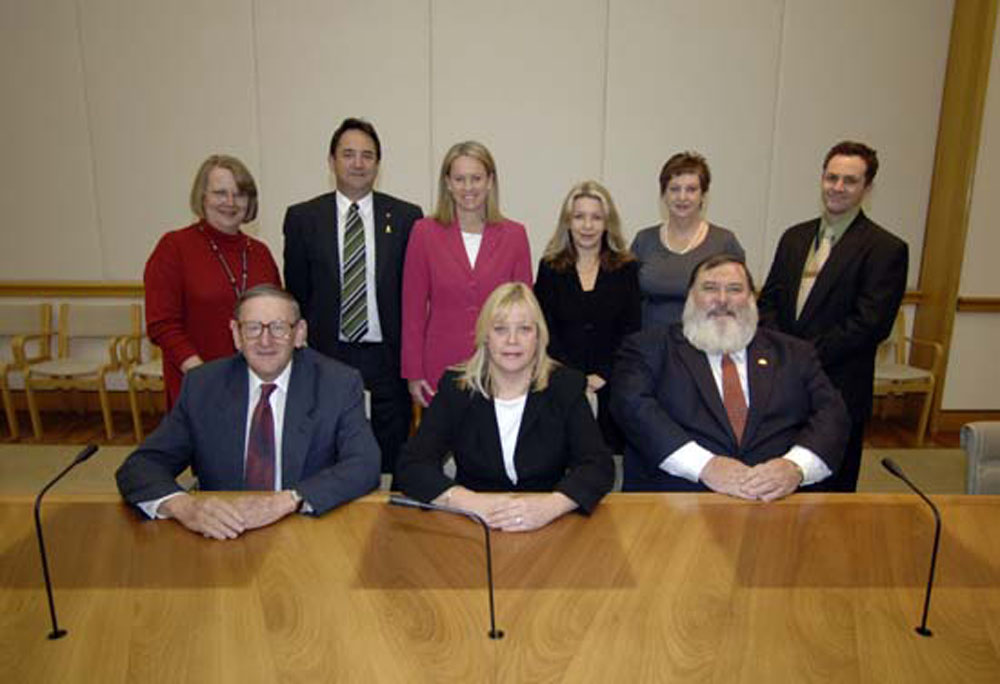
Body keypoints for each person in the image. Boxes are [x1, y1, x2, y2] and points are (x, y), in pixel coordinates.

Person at [116, 285, 381, 540]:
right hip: (223, 534)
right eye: (253, 328)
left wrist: (289, 500)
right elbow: (140, 467)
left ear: (299, 333)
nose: (265, 341)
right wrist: (185, 507)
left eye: (278, 327)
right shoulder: (203, 386)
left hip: (307, 529)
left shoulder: (337, 383)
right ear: (236, 334)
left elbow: (364, 465)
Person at [611, 255, 849, 498]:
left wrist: (795, 467)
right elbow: (633, 409)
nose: (722, 300)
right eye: (710, 288)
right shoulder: (648, 348)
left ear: (751, 298)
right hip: (678, 501)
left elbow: (832, 413)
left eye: (735, 289)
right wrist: (705, 466)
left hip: (778, 501)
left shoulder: (794, 353)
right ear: (691, 297)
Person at [396, 282, 614, 531]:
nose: (512, 340)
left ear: (539, 337)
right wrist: (469, 502)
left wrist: (551, 506)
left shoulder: (565, 385)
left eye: (524, 329)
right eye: (500, 329)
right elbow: (411, 465)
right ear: (485, 337)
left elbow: (599, 465)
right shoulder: (457, 389)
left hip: (549, 524)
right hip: (471, 524)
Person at [758, 140, 908, 492]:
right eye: (831, 177)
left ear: (867, 188)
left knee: (831, 490)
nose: (837, 188)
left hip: (839, 387)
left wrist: (802, 357)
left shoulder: (886, 249)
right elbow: (768, 302)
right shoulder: (794, 237)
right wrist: (780, 353)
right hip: (781, 385)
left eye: (850, 181)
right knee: (780, 481)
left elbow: (869, 324)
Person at [283, 118, 423, 478]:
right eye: (348, 154)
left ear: (378, 163)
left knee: (390, 457)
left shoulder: (408, 217)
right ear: (332, 161)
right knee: (330, 456)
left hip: (387, 359)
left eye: (367, 155)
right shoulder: (303, 218)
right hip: (327, 358)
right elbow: (297, 293)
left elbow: (415, 292)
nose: (358, 163)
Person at [401, 141, 533, 408]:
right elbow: (412, 309)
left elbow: (525, 311)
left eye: (476, 178)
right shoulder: (424, 232)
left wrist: (525, 368)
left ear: (490, 181)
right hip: (440, 367)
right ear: (448, 183)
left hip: (500, 366)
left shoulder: (515, 235)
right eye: (460, 179)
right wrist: (413, 373)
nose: (468, 187)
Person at [144, 155, 281, 410]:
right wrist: (204, 377)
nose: (230, 202)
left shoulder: (260, 253)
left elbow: (279, 317)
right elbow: (162, 325)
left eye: (239, 194)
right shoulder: (174, 248)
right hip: (199, 385)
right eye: (220, 193)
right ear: (202, 197)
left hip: (257, 386)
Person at [534, 180, 640, 452]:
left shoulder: (626, 268)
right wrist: (575, 378)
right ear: (567, 222)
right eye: (579, 217)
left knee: (608, 461)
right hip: (561, 382)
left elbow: (631, 330)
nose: (587, 226)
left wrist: (603, 374)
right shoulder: (550, 267)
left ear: (607, 223)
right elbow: (543, 329)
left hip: (612, 384)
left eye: (596, 217)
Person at [631, 152, 744, 328]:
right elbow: (629, 300)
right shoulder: (644, 240)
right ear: (664, 194)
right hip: (649, 346)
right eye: (674, 189)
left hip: (704, 347)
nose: (682, 197)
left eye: (691, 189)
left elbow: (738, 304)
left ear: (703, 196)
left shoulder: (723, 243)